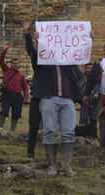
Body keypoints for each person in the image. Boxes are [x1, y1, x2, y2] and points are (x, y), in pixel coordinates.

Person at [25, 21, 82, 176]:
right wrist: (35, 41)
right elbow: (33, 56)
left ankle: (66, 165)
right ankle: (51, 165)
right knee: (49, 131)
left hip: (67, 99)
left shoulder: (69, 63)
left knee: (69, 132)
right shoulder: (42, 63)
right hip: (48, 98)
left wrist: (88, 42)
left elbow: (80, 75)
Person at [0, 43, 29, 132]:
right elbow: (1, 61)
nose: (15, 64)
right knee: (4, 111)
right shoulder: (6, 70)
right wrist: (4, 51)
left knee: (16, 114)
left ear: (19, 65)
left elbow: (25, 87)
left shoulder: (21, 75)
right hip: (7, 95)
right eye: (14, 63)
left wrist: (26, 96)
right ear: (11, 64)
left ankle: (12, 131)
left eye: (17, 63)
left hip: (18, 96)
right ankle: (0, 128)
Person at [23, 21, 42, 160]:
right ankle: (30, 151)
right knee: (33, 125)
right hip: (37, 95)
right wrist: (27, 34)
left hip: (50, 96)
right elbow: (30, 49)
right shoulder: (36, 60)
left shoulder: (54, 62)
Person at [78, 63, 98, 140]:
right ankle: (82, 136)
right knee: (83, 119)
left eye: (91, 68)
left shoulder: (97, 77)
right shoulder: (82, 78)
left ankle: (93, 136)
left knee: (93, 119)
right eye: (87, 68)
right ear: (85, 69)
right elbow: (79, 88)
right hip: (84, 101)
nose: (89, 70)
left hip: (95, 102)